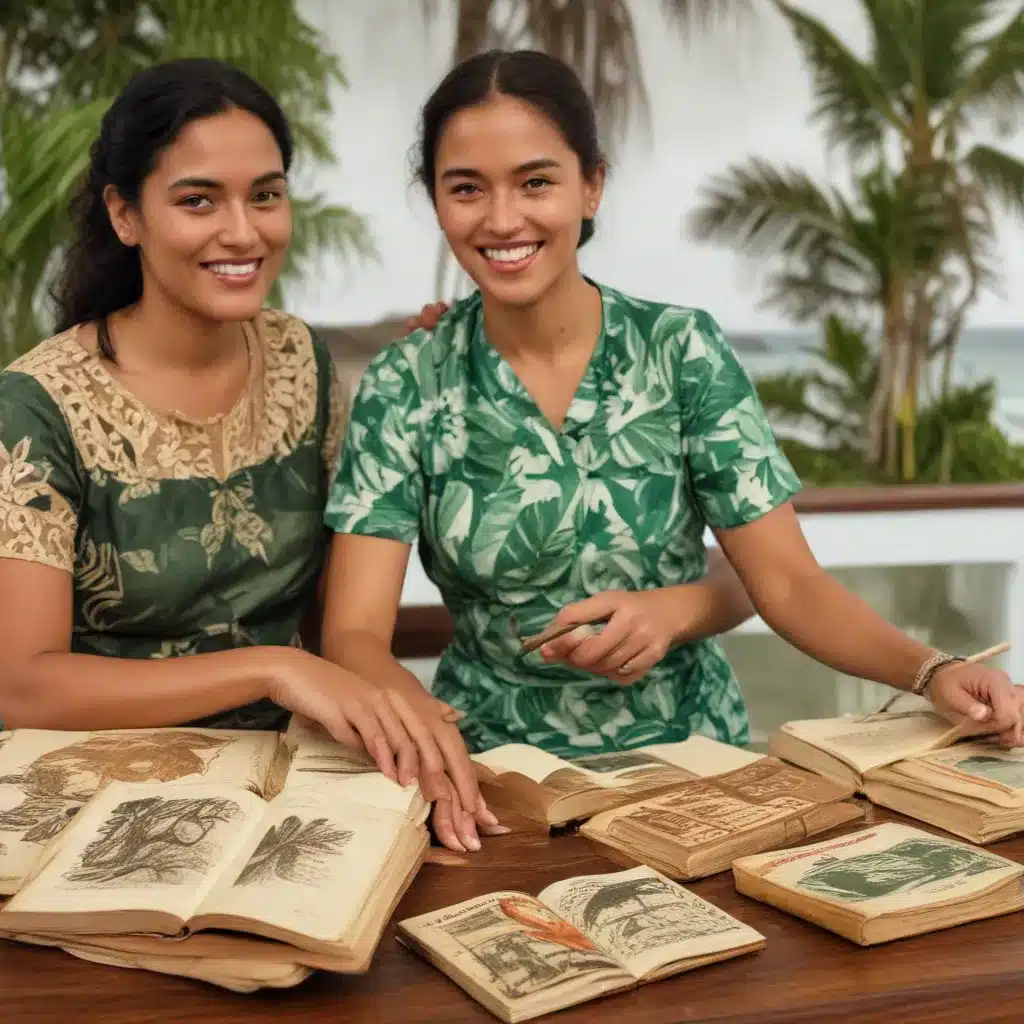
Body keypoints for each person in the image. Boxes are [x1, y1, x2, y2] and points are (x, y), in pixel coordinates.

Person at [321, 48, 1023, 852]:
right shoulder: (407, 380)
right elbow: (353, 635)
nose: (503, 218)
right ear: (437, 203)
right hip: (490, 787)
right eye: (467, 188)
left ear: (592, 185)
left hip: (696, 772)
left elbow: (787, 582)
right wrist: (414, 724)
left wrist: (930, 673)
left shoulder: (682, 350)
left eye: (536, 181)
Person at [0, 58, 466, 805]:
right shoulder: (37, 406)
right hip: (93, 791)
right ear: (125, 215)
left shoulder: (300, 361)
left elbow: (339, 614)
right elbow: (24, 687)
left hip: (294, 779)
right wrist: (274, 668)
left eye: (266, 196)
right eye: (198, 200)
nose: (243, 232)